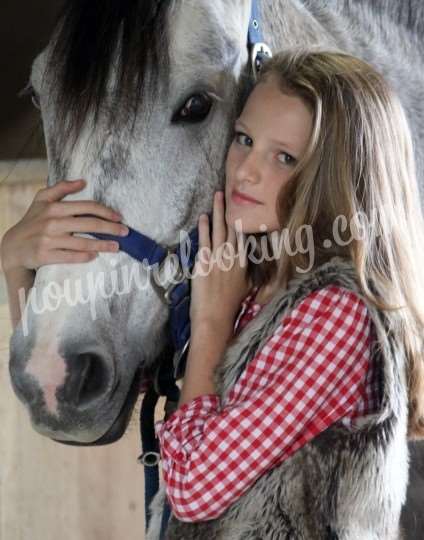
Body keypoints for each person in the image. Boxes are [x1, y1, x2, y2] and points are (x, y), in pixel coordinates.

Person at [1, 47, 424, 539]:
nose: (245, 169)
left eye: (284, 157)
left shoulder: (338, 314)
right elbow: (71, 398)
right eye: (243, 138)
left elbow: (194, 487)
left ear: (337, 176)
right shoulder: (249, 285)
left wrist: (209, 323)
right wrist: (16, 265)